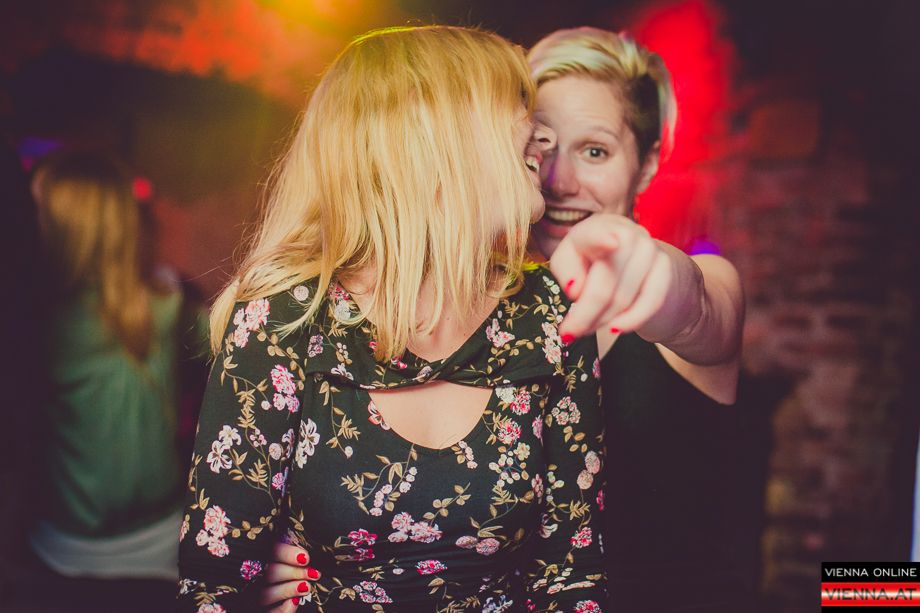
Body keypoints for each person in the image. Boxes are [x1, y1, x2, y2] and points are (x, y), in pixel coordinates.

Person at [264, 26, 746, 612]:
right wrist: (311, 555)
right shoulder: (453, 315)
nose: (558, 178)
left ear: (646, 166)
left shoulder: (701, 278)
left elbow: (701, 308)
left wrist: (658, 275)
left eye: (595, 151)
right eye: (538, 145)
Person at [178, 25, 606, 612]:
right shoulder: (284, 320)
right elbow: (216, 584)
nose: (545, 136)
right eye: (516, 109)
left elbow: (572, 574)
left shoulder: (550, 311)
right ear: (436, 140)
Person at [22, 150, 188, 610]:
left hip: (68, 550)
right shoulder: (168, 303)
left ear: (60, 229)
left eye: (32, 210)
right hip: (157, 542)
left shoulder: (34, 325)